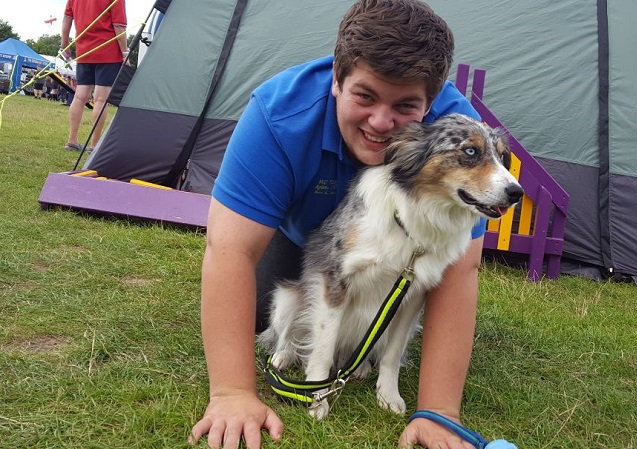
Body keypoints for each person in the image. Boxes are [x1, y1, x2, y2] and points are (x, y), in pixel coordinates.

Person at [188, 1, 488, 448]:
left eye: (406, 105)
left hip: (402, 251)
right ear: (336, 79)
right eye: (364, 96)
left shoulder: (460, 136)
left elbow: (458, 270)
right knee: (258, 312)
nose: (381, 123)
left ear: (432, 100)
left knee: (395, 300)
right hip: (300, 241)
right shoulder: (278, 113)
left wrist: (439, 411)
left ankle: (374, 350)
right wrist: (232, 392)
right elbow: (230, 250)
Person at [60, 0, 127, 151]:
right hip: (107, 51)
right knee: (101, 99)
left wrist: (64, 44)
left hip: (84, 50)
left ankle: (72, 140)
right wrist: (125, 52)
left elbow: (67, 19)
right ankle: (94, 145)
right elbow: (119, 25)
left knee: (79, 96)